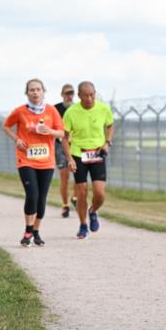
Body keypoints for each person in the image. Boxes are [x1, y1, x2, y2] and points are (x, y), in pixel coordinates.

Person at [3, 79, 67, 247]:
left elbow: (62, 133)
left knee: (41, 199)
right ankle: (28, 231)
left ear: (43, 92)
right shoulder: (20, 111)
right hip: (26, 159)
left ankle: (36, 231)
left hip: (46, 161)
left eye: (38, 89)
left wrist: (50, 131)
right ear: (27, 93)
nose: (35, 92)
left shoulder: (51, 111)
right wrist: (16, 139)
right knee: (32, 194)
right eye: (32, 90)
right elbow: (6, 126)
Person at [63, 81, 114, 239]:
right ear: (79, 96)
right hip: (78, 154)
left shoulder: (103, 109)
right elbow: (64, 138)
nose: (90, 98)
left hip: (97, 153)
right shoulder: (71, 112)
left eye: (92, 95)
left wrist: (107, 143)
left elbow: (110, 125)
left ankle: (93, 211)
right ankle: (83, 225)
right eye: (86, 95)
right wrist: (69, 159)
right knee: (82, 192)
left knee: (100, 193)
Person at [54, 83, 76, 217]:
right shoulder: (55, 109)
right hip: (60, 145)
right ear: (62, 95)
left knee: (79, 175)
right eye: (67, 93)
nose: (69, 96)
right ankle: (65, 205)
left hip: (76, 146)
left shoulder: (78, 108)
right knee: (64, 177)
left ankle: (75, 197)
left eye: (71, 93)